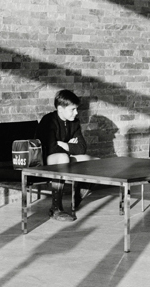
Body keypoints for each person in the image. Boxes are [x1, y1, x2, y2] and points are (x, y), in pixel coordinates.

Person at [36, 89, 96, 222]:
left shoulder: (74, 123)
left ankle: (77, 197)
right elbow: (51, 147)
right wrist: (69, 148)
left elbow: (82, 148)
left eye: (76, 109)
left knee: (93, 161)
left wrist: (64, 145)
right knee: (63, 158)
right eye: (72, 109)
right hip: (45, 159)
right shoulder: (49, 121)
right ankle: (55, 208)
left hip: (63, 157)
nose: (76, 112)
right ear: (60, 109)